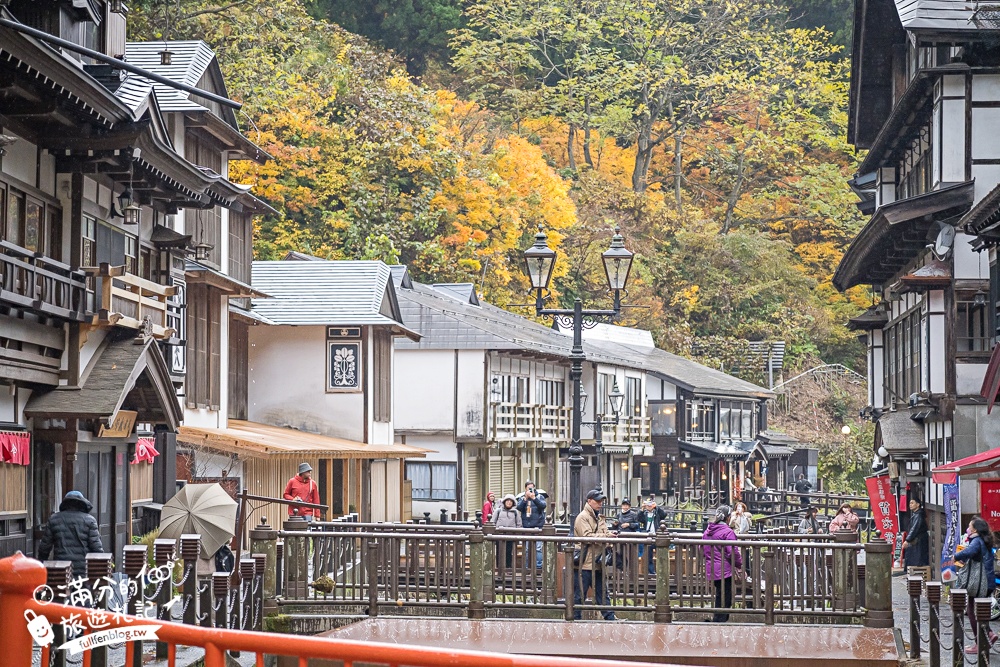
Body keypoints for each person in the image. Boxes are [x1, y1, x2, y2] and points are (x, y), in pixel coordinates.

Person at [37, 490, 103, 579]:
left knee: (63, 591)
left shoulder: (54, 519)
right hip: (82, 568)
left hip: (61, 567)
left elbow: (44, 546)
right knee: (81, 592)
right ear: (82, 503)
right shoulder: (90, 520)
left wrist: (41, 561)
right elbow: (96, 547)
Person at [573, 489, 617, 621]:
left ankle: (610, 618)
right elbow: (587, 536)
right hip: (585, 561)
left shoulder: (599, 517)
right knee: (580, 593)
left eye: (601, 501)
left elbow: (604, 533)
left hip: (597, 561)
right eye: (597, 501)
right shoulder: (582, 517)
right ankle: (574, 618)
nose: (600, 503)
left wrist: (609, 537)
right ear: (589, 501)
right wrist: (606, 536)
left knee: (603, 592)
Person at [955, 517, 998, 653]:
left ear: (975, 529)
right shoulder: (984, 540)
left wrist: (956, 556)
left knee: (972, 611)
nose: (967, 528)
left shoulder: (976, 541)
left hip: (980, 583)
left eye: (969, 526)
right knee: (980, 611)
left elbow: (969, 552)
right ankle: (988, 635)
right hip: (987, 582)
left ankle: (980, 642)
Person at [703, 504, 743, 622]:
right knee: (726, 595)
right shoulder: (727, 532)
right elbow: (732, 551)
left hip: (712, 567)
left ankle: (717, 617)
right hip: (724, 568)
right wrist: (739, 565)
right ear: (728, 517)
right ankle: (719, 620)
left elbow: (703, 548)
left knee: (720, 593)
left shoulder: (707, 532)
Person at [516, 480, 546, 569]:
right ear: (525, 489)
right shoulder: (522, 498)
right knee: (526, 549)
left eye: (531, 488)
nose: (530, 490)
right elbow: (519, 507)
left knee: (538, 548)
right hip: (526, 526)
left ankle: (539, 567)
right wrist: (525, 499)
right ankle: (526, 566)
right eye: (528, 488)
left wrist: (534, 498)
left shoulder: (539, 496)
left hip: (537, 525)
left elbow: (542, 506)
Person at [637, 498, 668, 574]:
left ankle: (661, 571)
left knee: (660, 554)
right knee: (649, 556)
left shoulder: (657, 512)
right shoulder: (644, 513)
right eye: (648, 505)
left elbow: (664, 515)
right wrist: (642, 508)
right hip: (648, 536)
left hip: (657, 535)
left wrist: (656, 507)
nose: (649, 506)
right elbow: (638, 518)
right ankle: (651, 572)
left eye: (651, 505)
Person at [493, 493, 522, 568]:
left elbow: (519, 524)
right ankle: (499, 568)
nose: (509, 502)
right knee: (499, 552)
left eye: (511, 501)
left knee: (509, 552)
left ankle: (508, 568)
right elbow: (493, 522)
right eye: (507, 501)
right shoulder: (498, 511)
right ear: (504, 502)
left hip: (510, 535)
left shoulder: (515, 512)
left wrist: (517, 534)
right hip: (499, 535)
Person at [902, 497, 929, 572]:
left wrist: (907, 540)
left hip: (919, 540)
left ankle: (916, 573)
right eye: (910, 503)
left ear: (918, 505)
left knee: (917, 558)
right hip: (917, 539)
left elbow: (914, 529)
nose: (910, 505)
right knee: (914, 557)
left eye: (912, 503)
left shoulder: (919, 515)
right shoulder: (916, 514)